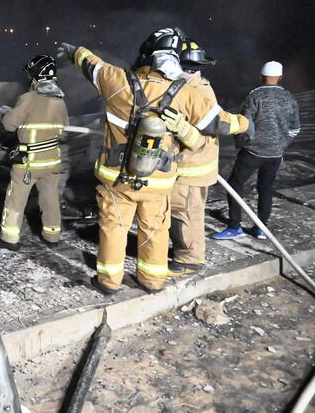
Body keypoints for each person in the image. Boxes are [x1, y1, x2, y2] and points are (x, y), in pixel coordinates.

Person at [56, 28, 253, 294]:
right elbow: (221, 122)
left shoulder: (118, 81)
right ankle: (152, 281)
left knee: (114, 229)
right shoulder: (187, 93)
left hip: (117, 180)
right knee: (156, 230)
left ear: (146, 55)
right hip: (159, 181)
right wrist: (246, 123)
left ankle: (108, 282)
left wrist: (72, 51)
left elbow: (91, 64)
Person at [167, 39, 252, 277]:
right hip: (193, 164)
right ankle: (183, 252)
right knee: (184, 213)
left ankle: (189, 260)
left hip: (189, 167)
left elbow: (213, 125)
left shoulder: (192, 90)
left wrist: (244, 124)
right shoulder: (197, 84)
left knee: (185, 214)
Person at [212, 61, 300, 240]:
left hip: (252, 151)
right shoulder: (290, 98)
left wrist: (240, 143)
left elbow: (244, 124)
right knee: (266, 188)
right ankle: (261, 228)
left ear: (261, 77)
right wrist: (281, 145)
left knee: (235, 184)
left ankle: (235, 226)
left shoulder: (255, 95)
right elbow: (295, 128)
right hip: (275, 154)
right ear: (280, 77)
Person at [0, 54, 69, 251]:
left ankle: (9, 239)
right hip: (52, 161)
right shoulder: (60, 100)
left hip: (29, 163)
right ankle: (52, 236)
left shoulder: (28, 98)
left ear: (35, 76)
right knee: (50, 199)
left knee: (16, 199)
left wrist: (6, 116)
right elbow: (65, 128)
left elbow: (9, 125)